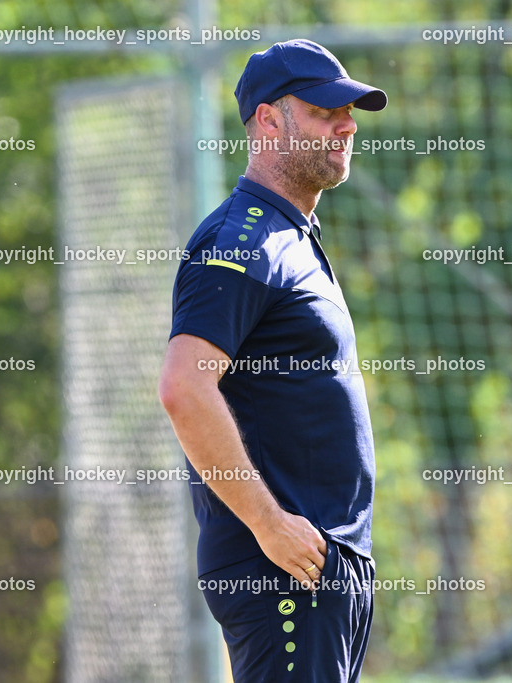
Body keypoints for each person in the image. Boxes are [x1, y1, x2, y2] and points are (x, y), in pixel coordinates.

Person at [158, 39, 386, 682]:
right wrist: (268, 524)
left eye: (349, 113)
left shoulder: (292, 236)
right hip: (283, 569)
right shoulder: (244, 239)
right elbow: (184, 388)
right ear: (268, 121)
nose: (346, 125)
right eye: (323, 112)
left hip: (320, 569)